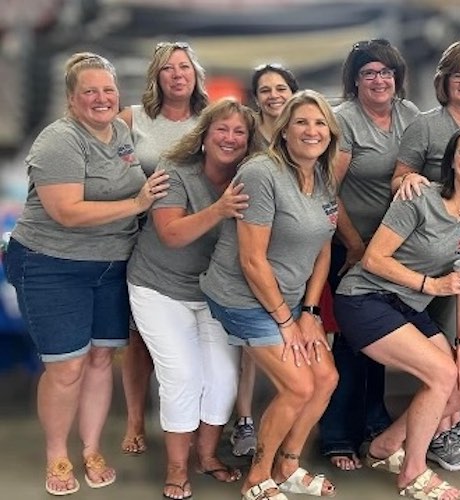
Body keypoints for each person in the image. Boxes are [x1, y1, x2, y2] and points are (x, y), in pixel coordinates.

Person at [3, 52, 169, 496]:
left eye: (108, 90)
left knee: (99, 360)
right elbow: (67, 212)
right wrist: (137, 204)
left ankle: (92, 448)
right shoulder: (59, 141)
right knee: (67, 367)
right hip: (53, 264)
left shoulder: (122, 132)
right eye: (89, 91)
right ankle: (57, 454)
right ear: (71, 99)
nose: (101, 98)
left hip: (112, 265)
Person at [335, 123, 460, 499]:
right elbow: (374, 258)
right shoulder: (419, 196)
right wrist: (432, 286)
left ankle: (385, 445)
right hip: (365, 297)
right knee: (442, 375)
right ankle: (413, 472)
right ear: (451, 162)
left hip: (407, 306)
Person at [200, 90, 340, 500]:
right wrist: (285, 321)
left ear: (330, 133)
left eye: (320, 123)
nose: (311, 131)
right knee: (298, 386)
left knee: (326, 379)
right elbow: (251, 260)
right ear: (284, 131)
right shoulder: (261, 173)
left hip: (290, 299)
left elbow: (323, 246)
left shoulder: (323, 177)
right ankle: (257, 477)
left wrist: (309, 312)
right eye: (301, 122)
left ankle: (288, 465)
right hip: (242, 296)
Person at [127, 98, 257, 499]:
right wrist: (220, 209)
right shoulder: (176, 170)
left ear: (249, 141)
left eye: (239, 132)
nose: (230, 138)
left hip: (214, 291)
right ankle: (176, 468)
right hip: (158, 287)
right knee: (182, 375)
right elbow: (171, 234)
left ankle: (207, 455)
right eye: (222, 129)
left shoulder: (252, 176)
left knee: (223, 377)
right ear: (204, 135)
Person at [389, 40, 460, 470]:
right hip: (431, 256)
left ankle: (451, 424)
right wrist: (409, 180)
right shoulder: (425, 125)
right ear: (445, 81)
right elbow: (400, 179)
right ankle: (438, 432)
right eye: (458, 75)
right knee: (438, 350)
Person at [317, 38, 420, 472]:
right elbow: (327, 191)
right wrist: (356, 246)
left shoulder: (410, 115)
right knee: (349, 343)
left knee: (380, 338)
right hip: (350, 248)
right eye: (368, 73)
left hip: (392, 251)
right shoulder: (344, 121)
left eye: (386, 72)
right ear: (355, 80)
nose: (379, 80)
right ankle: (338, 434)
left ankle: (375, 422)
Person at [117, 40, 209, 456]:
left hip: (196, 239)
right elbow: (104, 164)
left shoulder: (210, 120)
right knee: (139, 337)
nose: (177, 74)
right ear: (156, 76)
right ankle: (136, 419)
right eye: (168, 68)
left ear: (195, 75)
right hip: (139, 237)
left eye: (184, 67)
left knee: (192, 338)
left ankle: (192, 418)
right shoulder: (131, 119)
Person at [227, 62, 300, 459]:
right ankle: (244, 421)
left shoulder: (303, 133)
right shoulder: (247, 137)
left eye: (281, 88)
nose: (274, 95)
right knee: (250, 347)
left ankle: (293, 418)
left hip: (294, 249)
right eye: (266, 90)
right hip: (254, 242)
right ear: (256, 99)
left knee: (298, 340)